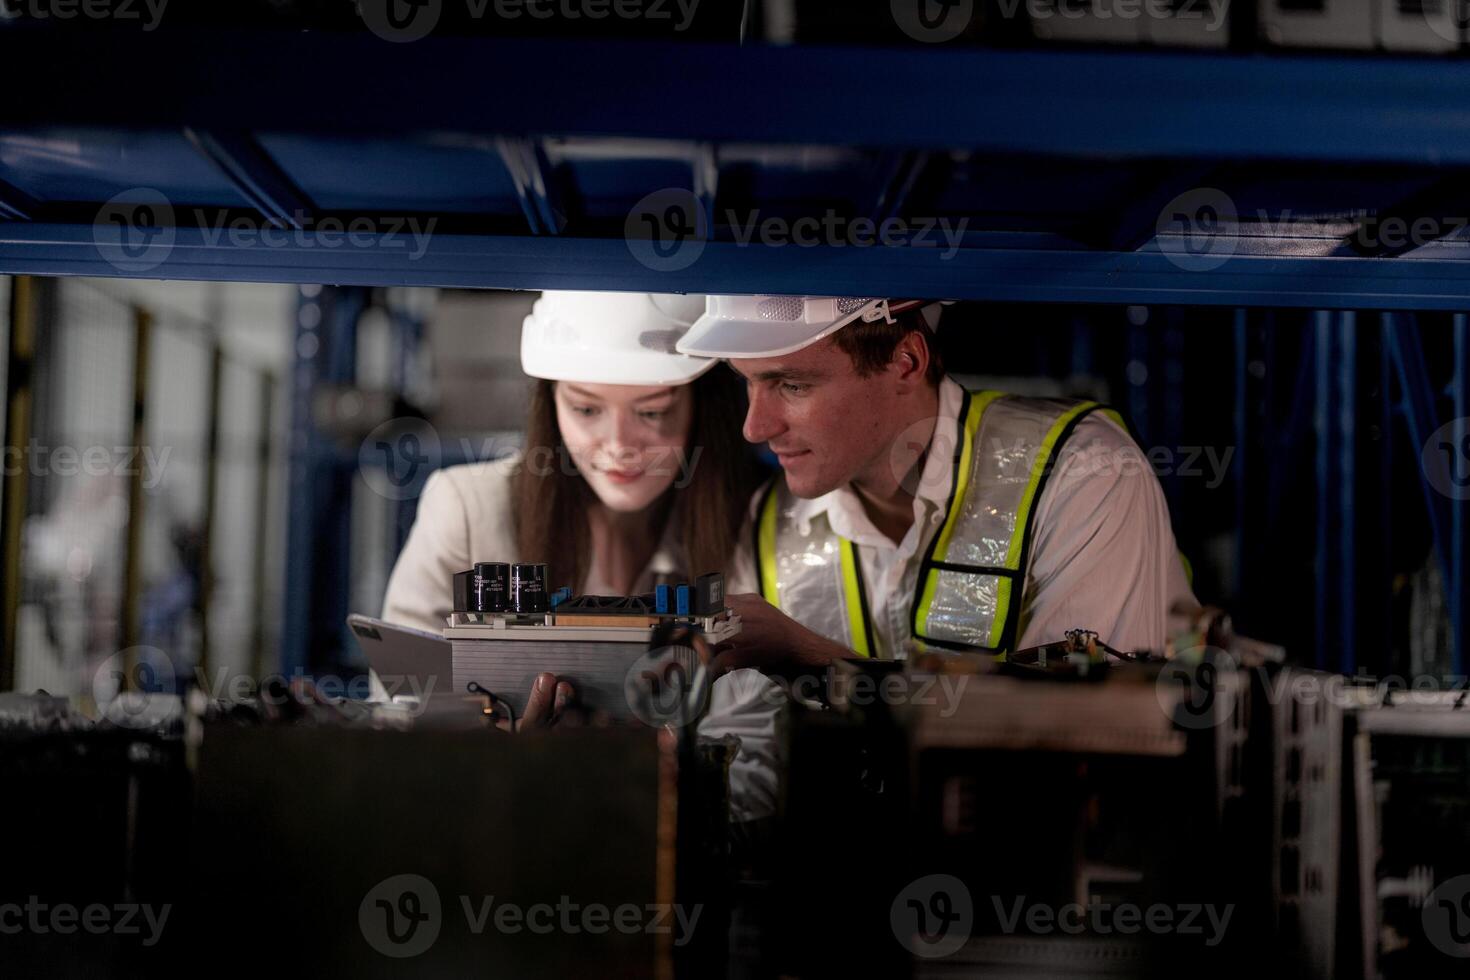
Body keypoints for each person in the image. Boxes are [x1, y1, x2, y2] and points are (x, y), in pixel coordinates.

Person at [380, 290, 782, 820]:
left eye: (652, 411)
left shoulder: (758, 521)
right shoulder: (466, 508)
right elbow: (399, 723)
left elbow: (764, 747)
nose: (618, 444)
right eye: (586, 407)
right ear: (550, 403)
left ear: (699, 405)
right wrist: (498, 760)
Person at [674, 295, 1198, 670]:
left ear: (906, 362)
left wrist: (816, 661)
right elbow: (747, 770)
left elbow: (1080, 743)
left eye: (792, 385)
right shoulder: (770, 523)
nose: (755, 427)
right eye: (748, 382)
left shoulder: (1084, 473)